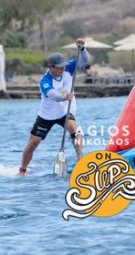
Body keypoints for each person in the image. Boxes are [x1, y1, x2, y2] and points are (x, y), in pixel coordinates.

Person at [18, 39, 90, 175]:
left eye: (63, 66)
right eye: (59, 67)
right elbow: (52, 94)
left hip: (65, 112)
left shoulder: (68, 68)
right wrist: (64, 97)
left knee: (73, 128)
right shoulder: (45, 80)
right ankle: (22, 170)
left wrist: (82, 49)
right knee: (33, 142)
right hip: (47, 115)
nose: (63, 69)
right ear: (51, 67)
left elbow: (85, 60)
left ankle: (80, 160)